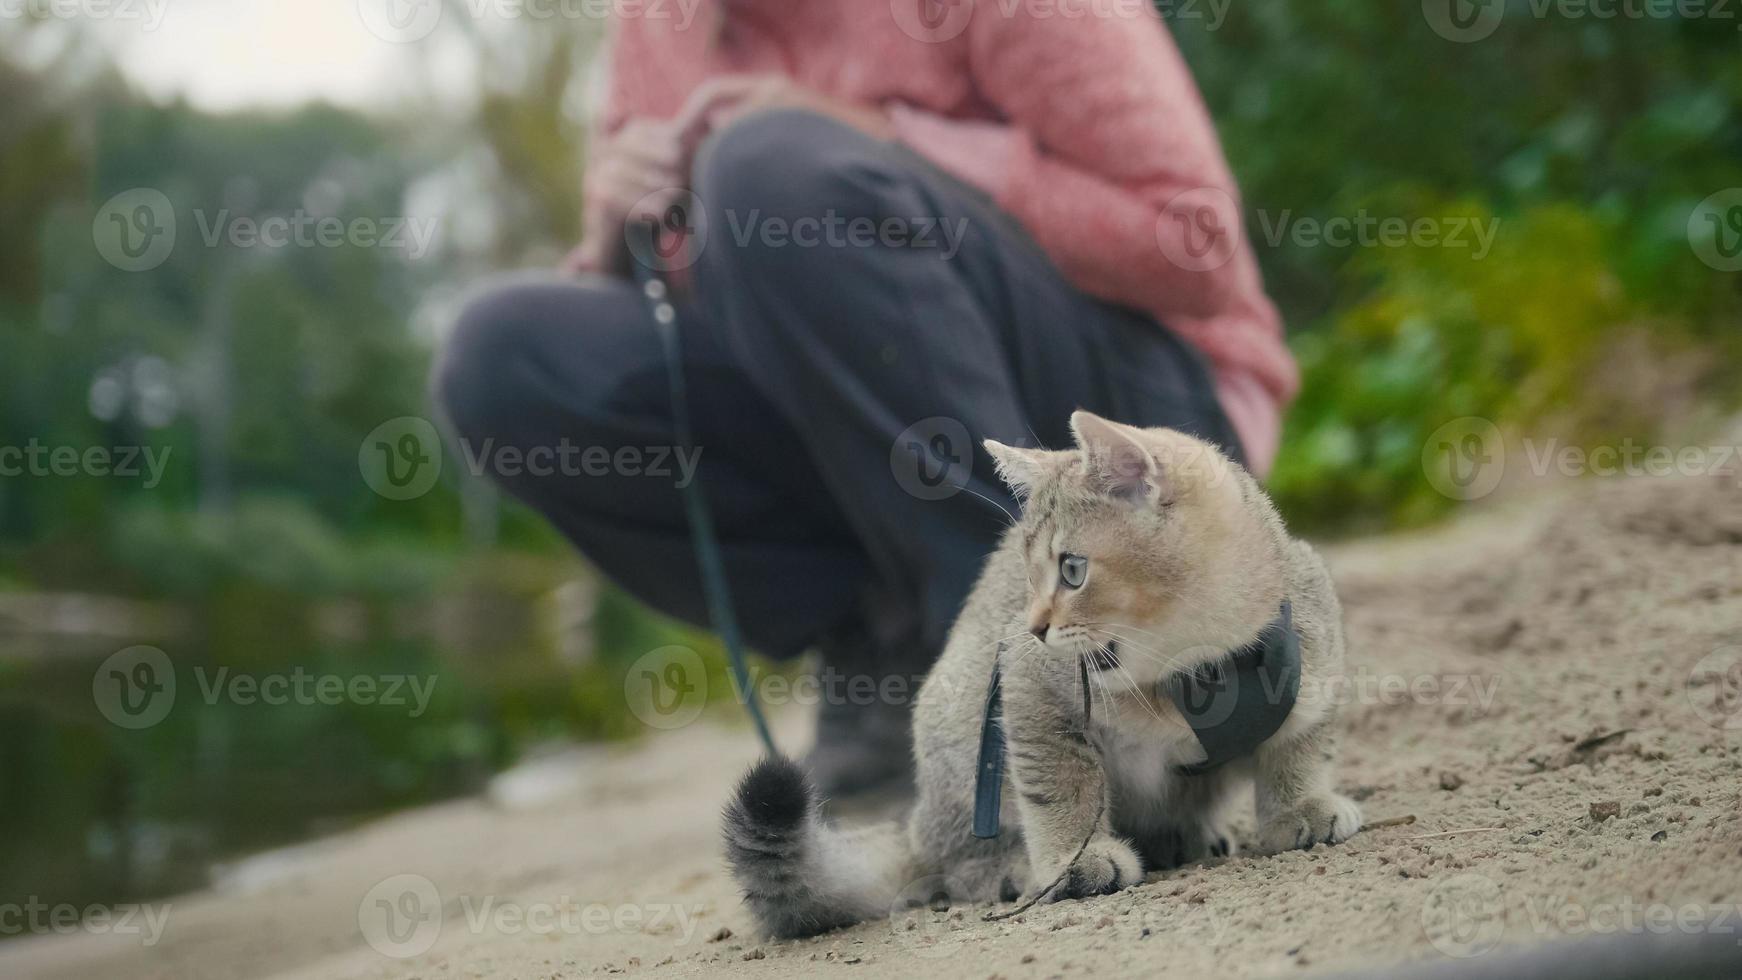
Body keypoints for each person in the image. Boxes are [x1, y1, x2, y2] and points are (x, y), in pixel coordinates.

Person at [435, 0, 1295, 799]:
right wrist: (614, 229)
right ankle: (891, 648)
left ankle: (1063, 667)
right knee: (506, 358)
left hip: (1140, 419)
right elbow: (709, 306)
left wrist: (888, 141)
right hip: (874, 441)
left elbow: (1196, 245)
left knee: (769, 167)